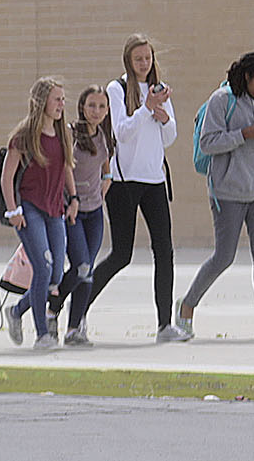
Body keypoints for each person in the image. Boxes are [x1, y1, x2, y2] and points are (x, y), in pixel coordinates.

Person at [173, 49, 254, 340]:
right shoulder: (221, 100)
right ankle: (187, 305)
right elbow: (208, 143)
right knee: (224, 256)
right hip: (227, 191)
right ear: (246, 75)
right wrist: (243, 135)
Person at [77, 35, 184, 340]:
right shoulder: (117, 89)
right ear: (128, 60)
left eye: (148, 58)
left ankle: (165, 325)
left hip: (155, 180)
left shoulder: (159, 89)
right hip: (125, 182)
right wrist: (145, 109)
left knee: (164, 250)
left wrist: (163, 117)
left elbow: (170, 137)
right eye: (138, 59)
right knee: (121, 254)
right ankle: (77, 312)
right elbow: (121, 132)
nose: (144, 64)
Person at [0, 77, 73, 350]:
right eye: (57, 99)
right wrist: (13, 210)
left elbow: (67, 168)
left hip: (56, 210)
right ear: (42, 102)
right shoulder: (23, 135)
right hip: (29, 210)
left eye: (63, 100)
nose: (61, 105)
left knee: (56, 276)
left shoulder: (63, 132)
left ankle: (17, 311)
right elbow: (7, 179)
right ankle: (42, 334)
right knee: (42, 268)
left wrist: (73, 198)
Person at [51, 82, 114, 344]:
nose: (96, 111)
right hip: (72, 209)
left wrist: (107, 179)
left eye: (101, 106)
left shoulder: (104, 135)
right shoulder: (70, 133)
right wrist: (71, 198)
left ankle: (74, 329)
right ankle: (52, 309)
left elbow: (105, 165)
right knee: (81, 266)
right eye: (91, 105)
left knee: (87, 272)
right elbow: (62, 167)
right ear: (82, 106)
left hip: (95, 209)